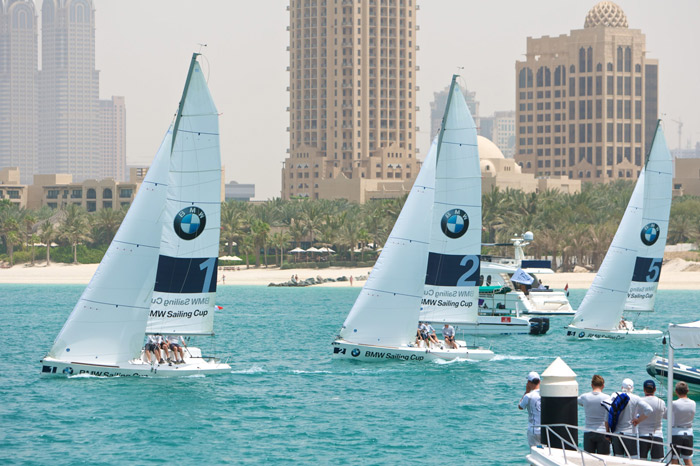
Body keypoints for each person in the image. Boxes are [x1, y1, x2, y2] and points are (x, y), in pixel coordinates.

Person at [607, 378, 652, 459]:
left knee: (618, 459)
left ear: (621, 387)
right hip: (630, 433)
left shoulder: (615, 396)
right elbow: (649, 409)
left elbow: (608, 411)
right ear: (632, 388)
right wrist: (638, 420)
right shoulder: (636, 398)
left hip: (616, 433)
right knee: (633, 459)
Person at [578, 374, 611, 454]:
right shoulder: (607, 398)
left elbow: (577, 401)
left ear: (592, 385)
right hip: (603, 432)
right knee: (604, 459)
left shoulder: (584, 397)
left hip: (588, 432)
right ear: (603, 386)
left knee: (589, 459)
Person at [637, 379, 666, 461]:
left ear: (644, 389)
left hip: (642, 435)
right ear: (655, 389)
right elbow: (666, 416)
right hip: (657, 435)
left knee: (641, 462)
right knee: (657, 462)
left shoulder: (640, 401)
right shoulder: (661, 402)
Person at [671, 381, 696, 465]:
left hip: (676, 433)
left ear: (676, 391)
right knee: (688, 460)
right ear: (687, 391)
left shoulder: (674, 403)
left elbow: (666, 415)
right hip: (689, 433)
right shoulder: (693, 403)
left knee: (674, 459)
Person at [519, 371, 542, 447]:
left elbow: (520, 406)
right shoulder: (545, 393)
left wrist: (527, 391)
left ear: (529, 382)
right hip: (545, 430)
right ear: (539, 381)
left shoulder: (528, 396)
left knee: (534, 452)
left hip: (533, 430)